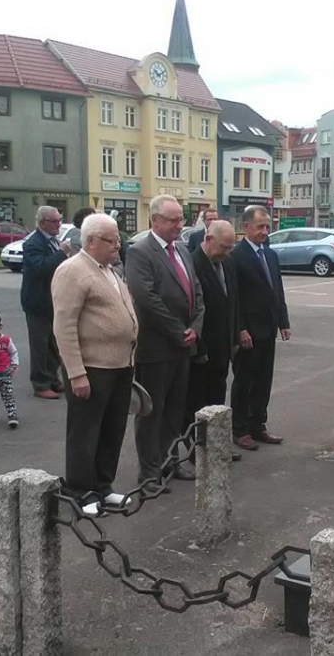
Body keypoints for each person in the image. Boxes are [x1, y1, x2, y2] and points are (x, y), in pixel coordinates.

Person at [52, 213, 138, 516]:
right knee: (85, 432)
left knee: (112, 429)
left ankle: (103, 486)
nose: (118, 245)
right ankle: (79, 491)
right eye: (111, 240)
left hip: (120, 365)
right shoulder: (72, 271)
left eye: (118, 239)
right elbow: (64, 326)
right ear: (90, 241)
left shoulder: (109, 270)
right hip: (91, 367)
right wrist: (76, 373)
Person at [126, 195, 204, 486]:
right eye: (172, 220)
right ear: (155, 220)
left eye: (181, 219)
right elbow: (146, 299)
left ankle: (170, 462)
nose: (179, 225)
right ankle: (150, 472)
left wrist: (195, 327)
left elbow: (196, 292)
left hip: (183, 346)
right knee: (151, 412)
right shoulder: (140, 252)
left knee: (174, 410)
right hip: (156, 347)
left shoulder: (182, 249)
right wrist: (178, 331)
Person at [230, 205, 290, 451]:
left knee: (264, 380)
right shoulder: (236, 256)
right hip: (249, 332)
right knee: (245, 381)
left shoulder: (270, 254)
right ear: (246, 227)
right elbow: (234, 298)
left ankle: (258, 424)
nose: (265, 231)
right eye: (260, 227)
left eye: (267, 226)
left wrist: (283, 322)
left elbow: (277, 290)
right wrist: (240, 330)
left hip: (268, 329)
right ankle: (240, 429)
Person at [183, 220, 243, 461]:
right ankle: (197, 451)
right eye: (223, 247)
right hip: (202, 349)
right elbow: (192, 311)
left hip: (223, 347)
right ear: (208, 239)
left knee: (217, 400)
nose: (227, 253)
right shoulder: (193, 264)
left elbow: (233, 301)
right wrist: (199, 347)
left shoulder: (227, 263)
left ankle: (217, 447)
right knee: (197, 403)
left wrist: (235, 335)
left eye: (230, 248)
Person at [21, 205, 71, 399]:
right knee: (40, 346)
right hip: (37, 302)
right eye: (54, 221)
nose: (59, 224)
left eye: (60, 220)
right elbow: (41, 268)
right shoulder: (33, 243)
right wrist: (61, 253)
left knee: (53, 344)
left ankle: (52, 379)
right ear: (42, 223)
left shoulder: (53, 240)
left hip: (53, 301)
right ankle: (40, 384)